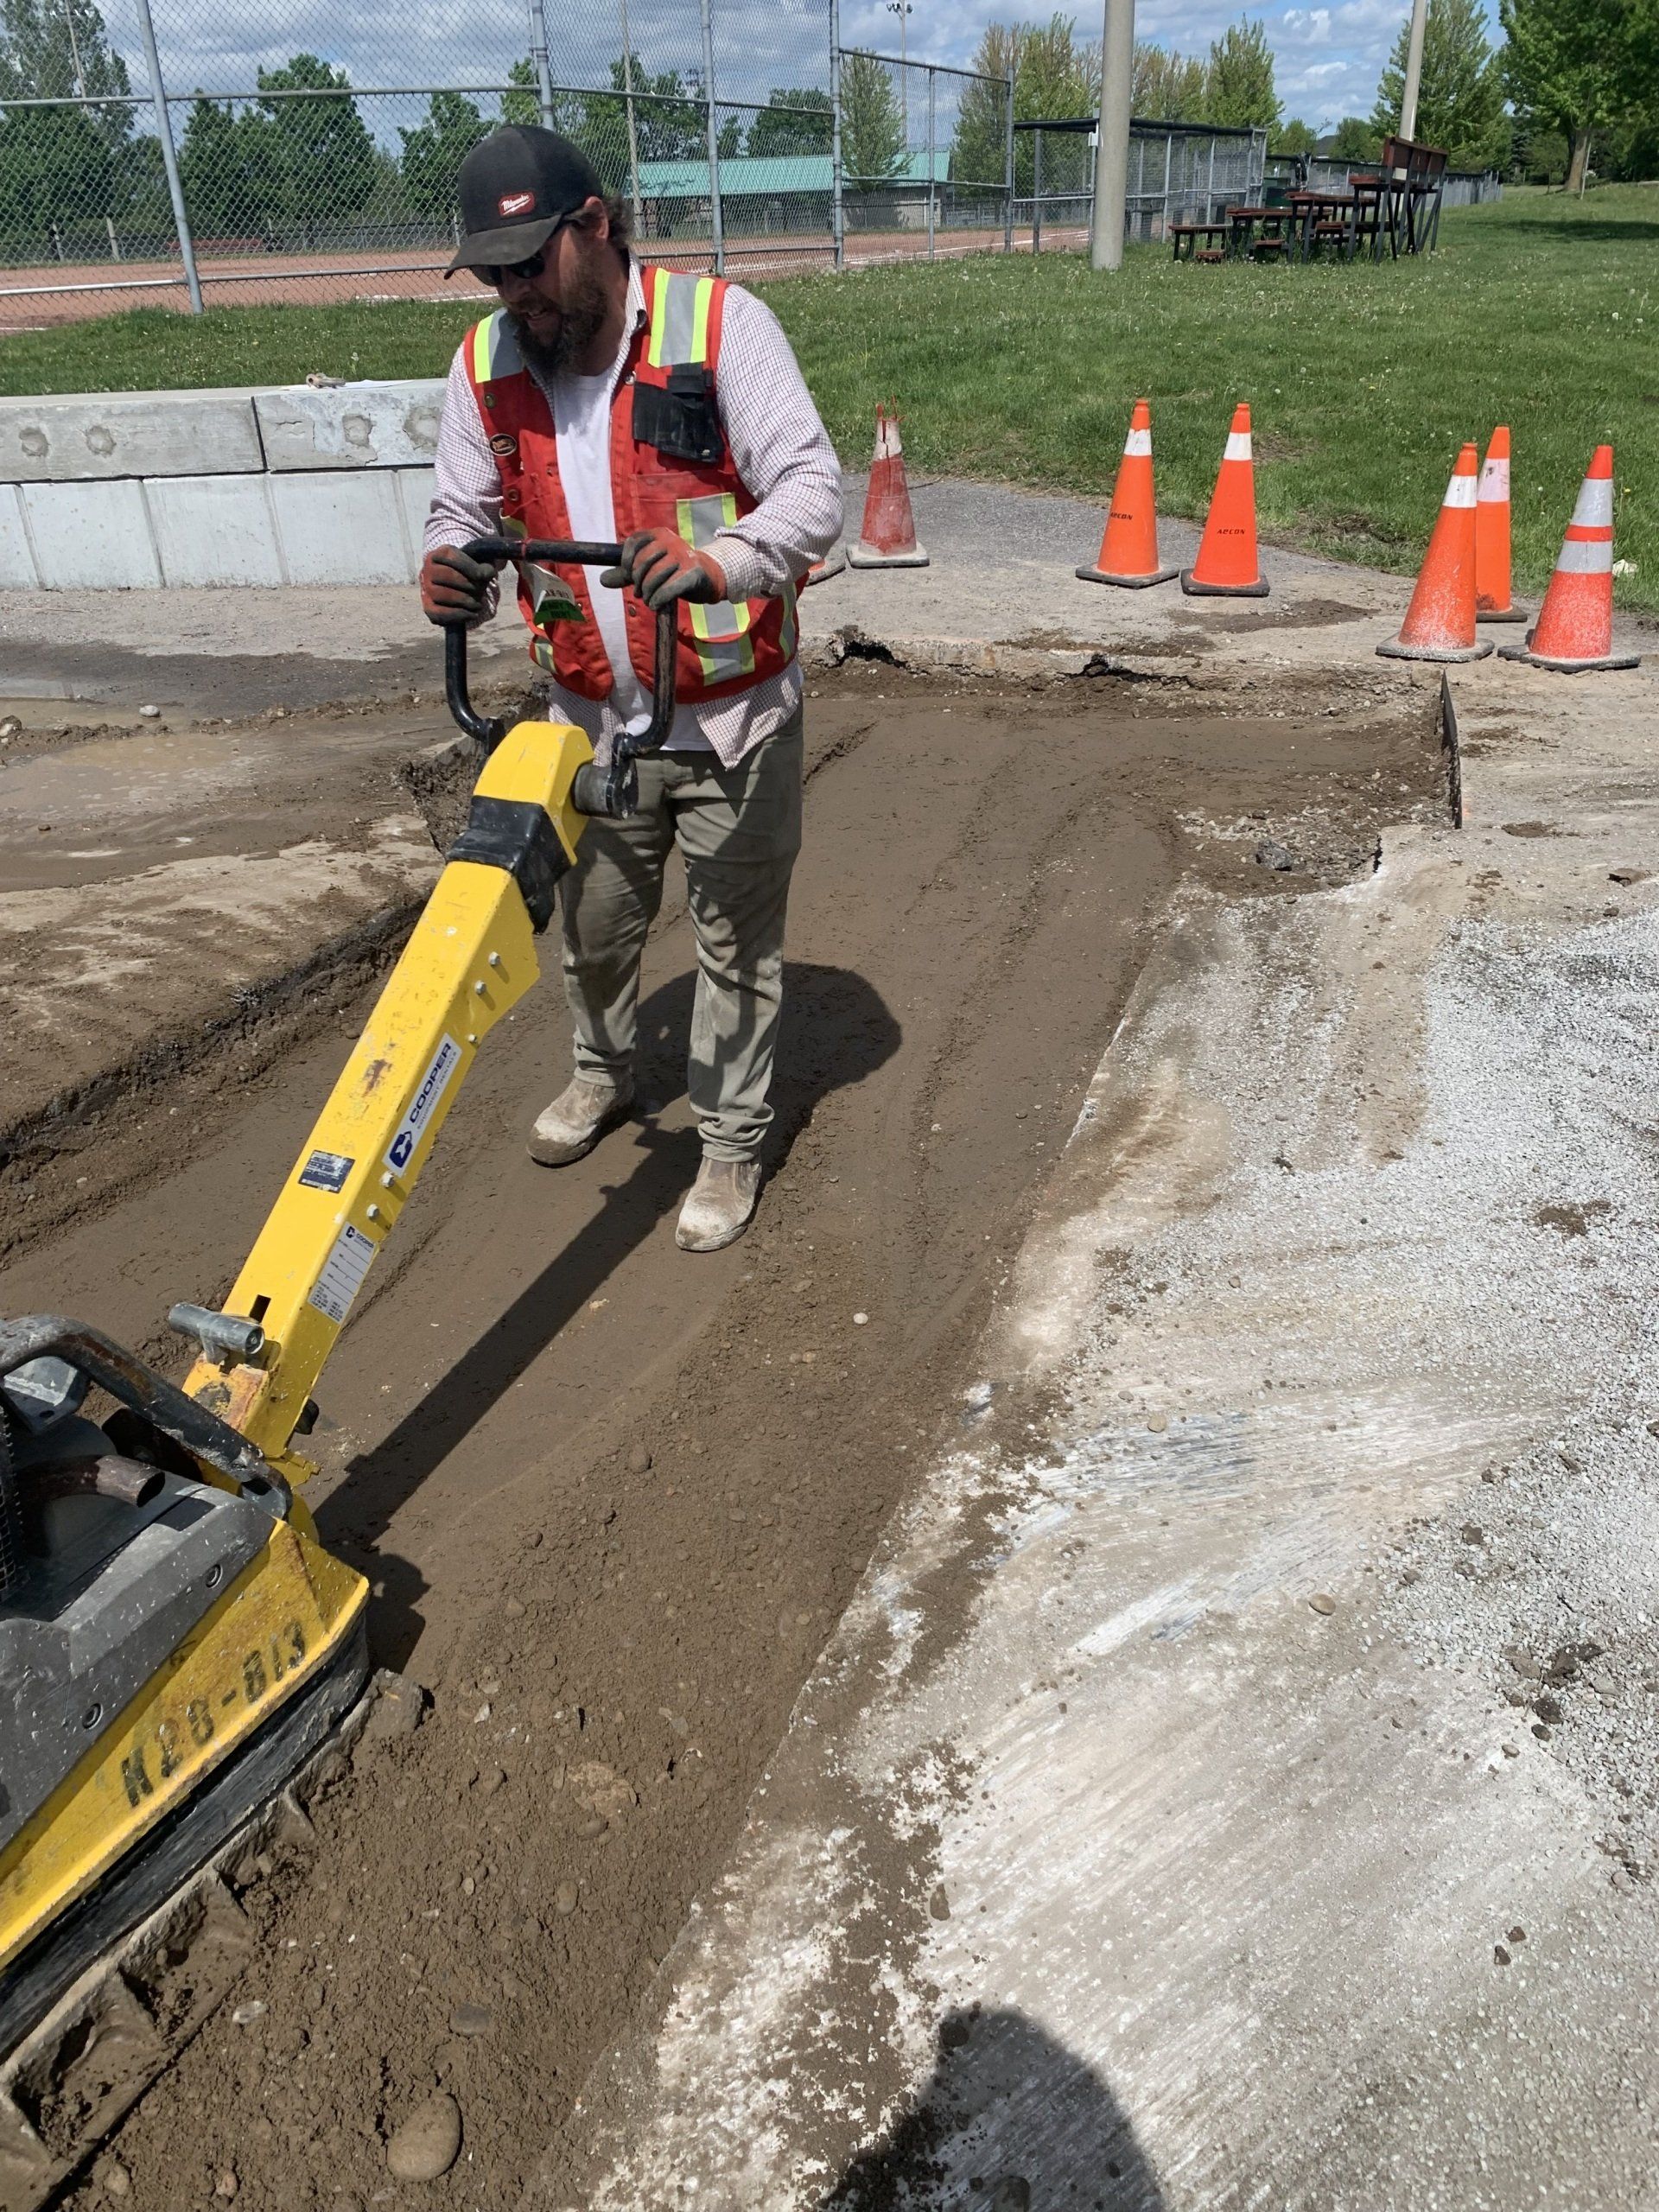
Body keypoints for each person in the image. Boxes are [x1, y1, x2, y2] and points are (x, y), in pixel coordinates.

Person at [421, 126, 842, 1253]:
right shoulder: (486, 366)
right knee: (597, 931)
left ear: (595, 225)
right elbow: (461, 515)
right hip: (590, 722)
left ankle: (730, 1141)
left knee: (731, 945)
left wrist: (722, 561)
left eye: (530, 263)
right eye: (494, 272)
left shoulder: (720, 330)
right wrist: (448, 573)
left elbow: (810, 488)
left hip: (727, 715)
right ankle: (603, 1075)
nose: (515, 292)